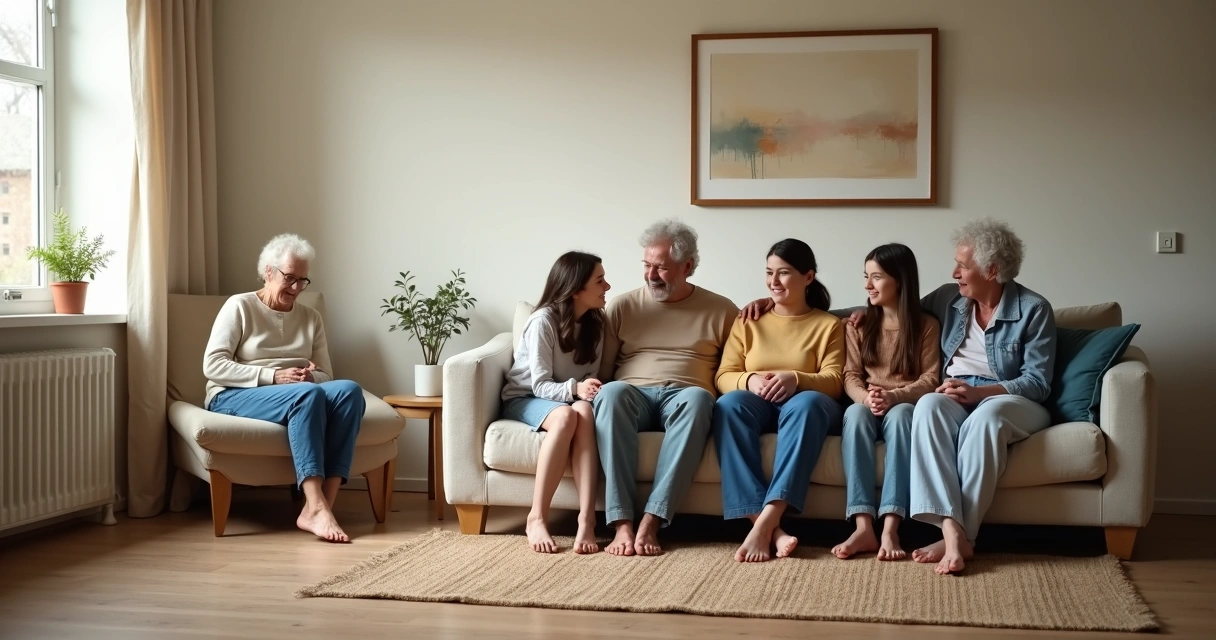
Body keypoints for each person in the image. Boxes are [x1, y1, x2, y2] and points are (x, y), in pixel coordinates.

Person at [907, 219, 1056, 575]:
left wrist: (979, 393)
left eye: (963, 265)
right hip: (956, 391)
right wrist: (843, 316)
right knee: (927, 405)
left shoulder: (1034, 309)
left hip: (1013, 399)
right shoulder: (947, 298)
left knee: (985, 420)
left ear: (991, 270)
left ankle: (963, 537)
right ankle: (951, 532)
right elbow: (895, 312)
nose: (954, 271)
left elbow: (1037, 382)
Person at [203, 233, 364, 543]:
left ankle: (321, 506)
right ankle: (316, 506)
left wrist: (308, 377)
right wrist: (274, 377)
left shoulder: (310, 318)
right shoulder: (239, 306)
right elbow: (213, 366)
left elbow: (326, 375)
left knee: (349, 392)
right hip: (234, 395)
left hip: (296, 392)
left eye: (303, 281)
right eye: (290, 278)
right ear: (268, 271)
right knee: (307, 395)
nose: (295, 288)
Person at [593, 218, 738, 556]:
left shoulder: (722, 310)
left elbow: (733, 367)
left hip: (686, 395)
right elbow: (605, 369)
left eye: (661, 267)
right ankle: (622, 524)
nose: (651, 275)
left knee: (700, 399)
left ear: (687, 266)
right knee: (610, 392)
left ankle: (653, 519)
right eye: (647, 265)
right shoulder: (623, 306)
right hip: (633, 395)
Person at [713, 239, 844, 562]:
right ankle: (769, 528)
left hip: (808, 406)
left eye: (784, 273)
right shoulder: (748, 320)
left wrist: (795, 378)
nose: (773, 281)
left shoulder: (828, 325)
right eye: (769, 272)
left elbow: (835, 381)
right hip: (757, 404)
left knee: (807, 403)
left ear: (808, 277)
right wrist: (750, 379)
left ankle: (769, 517)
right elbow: (724, 375)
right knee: (728, 405)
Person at [831, 243, 940, 562]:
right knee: (855, 415)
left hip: (903, 403)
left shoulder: (927, 325)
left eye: (876, 277)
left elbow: (930, 379)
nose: (867, 285)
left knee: (905, 416)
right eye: (866, 277)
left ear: (900, 281)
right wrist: (866, 397)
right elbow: (849, 374)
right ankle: (863, 526)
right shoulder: (858, 324)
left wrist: (894, 396)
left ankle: (891, 526)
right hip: (867, 402)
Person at [501, 251, 611, 555]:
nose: (608, 286)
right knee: (565, 417)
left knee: (584, 412)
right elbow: (538, 384)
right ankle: (536, 517)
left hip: (567, 399)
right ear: (576, 289)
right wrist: (577, 388)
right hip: (525, 399)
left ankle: (587, 520)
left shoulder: (596, 323)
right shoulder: (542, 321)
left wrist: (586, 390)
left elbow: (591, 375)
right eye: (600, 280)